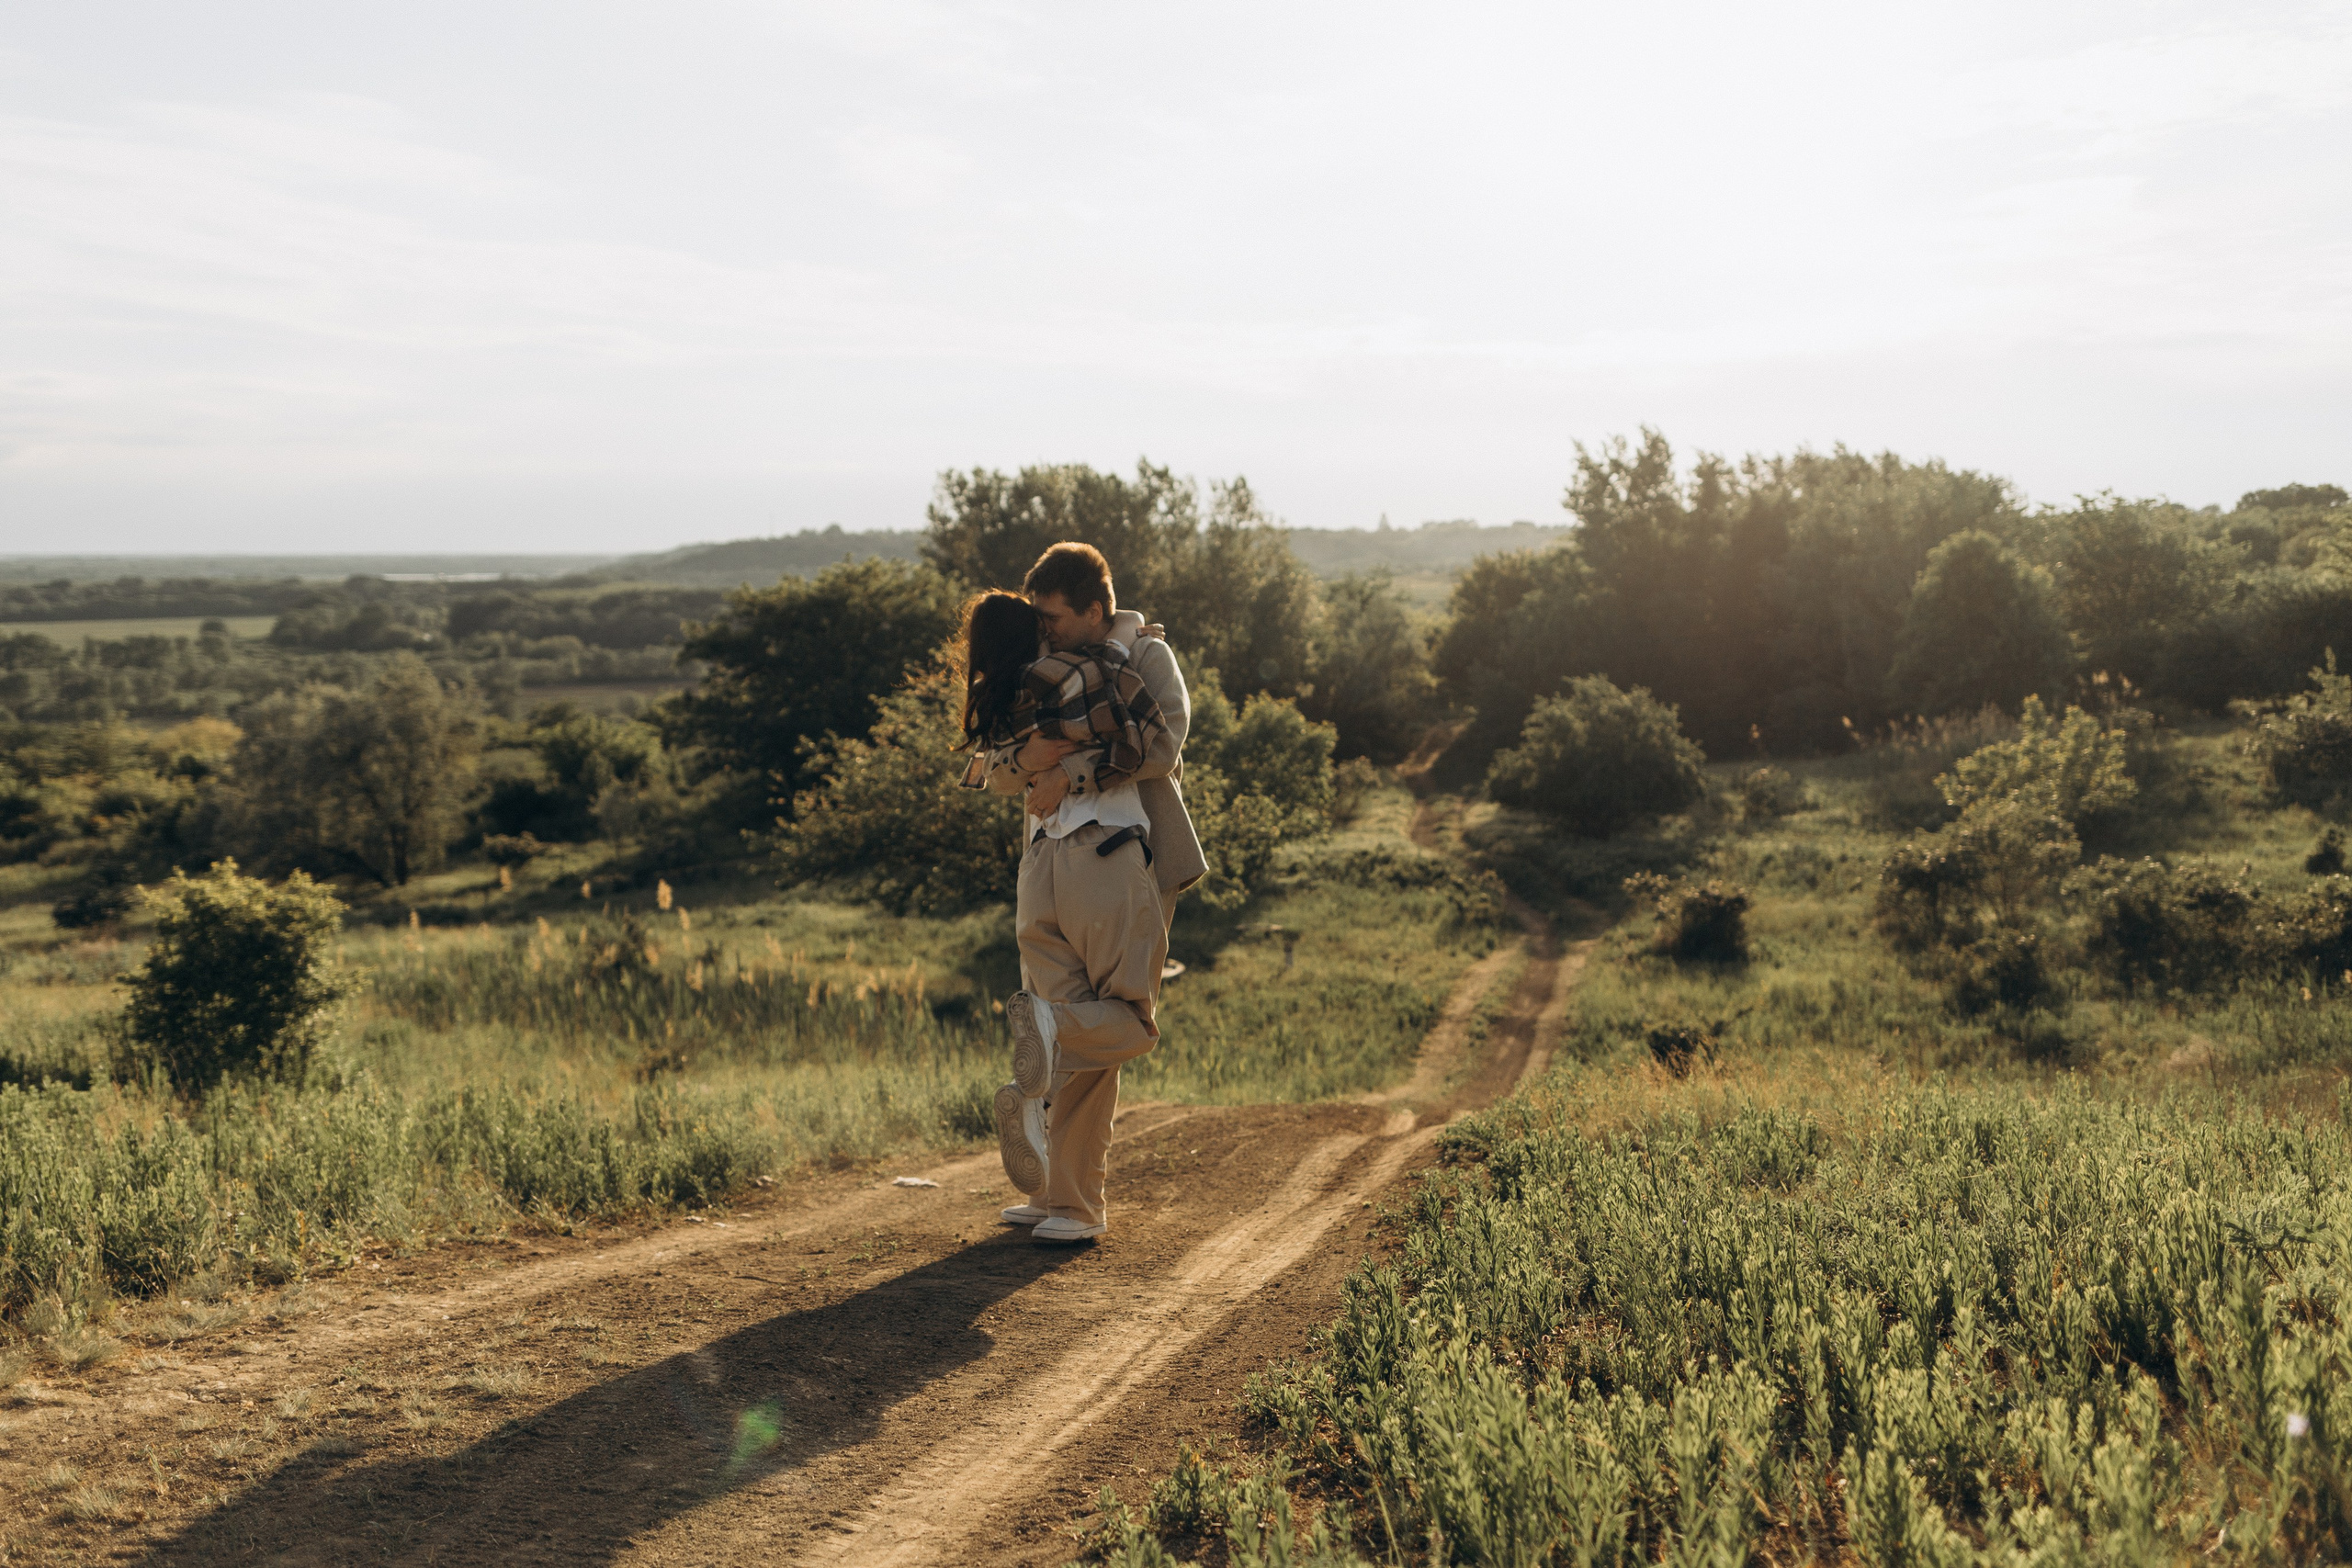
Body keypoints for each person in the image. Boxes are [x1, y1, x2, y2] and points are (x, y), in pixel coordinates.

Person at [964, 542, 1203, 1243]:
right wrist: (1025, 760)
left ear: (1096, 610)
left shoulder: (1147, 658)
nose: (1044, 628)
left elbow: (1164, 747)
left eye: (1056, 616)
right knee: (1081, 1019)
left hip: (1115, 847)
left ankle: (1071, 1197)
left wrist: (1068, 770)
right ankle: (1062, 1199)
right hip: (1044, 859)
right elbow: (995, 769)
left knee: (1097, 1020)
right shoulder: (1046, 666)